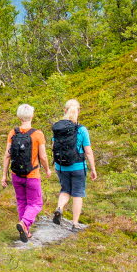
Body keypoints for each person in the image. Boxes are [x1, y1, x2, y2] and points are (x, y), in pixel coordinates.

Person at [1, 103, 51, 242]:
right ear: (32, 115)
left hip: (16, 175)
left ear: (19, 116)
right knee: (36, 204)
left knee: (22, 201)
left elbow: (7, 155)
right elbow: (43, 156)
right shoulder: (37, 134)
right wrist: (47, 169)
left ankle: (25, 231)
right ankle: (24, 224)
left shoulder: (13, 132)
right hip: (32, 175)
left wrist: (4, 176)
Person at [51, 98, 97, 230]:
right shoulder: (81, 130)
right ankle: (75, 223)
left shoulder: (58, 129)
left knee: (65, 190)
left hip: (61, 166)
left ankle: (59, 208)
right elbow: (88, 151)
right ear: (78, 111)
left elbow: (54, 146)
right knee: (77, 194)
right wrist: (93, 169)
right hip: (78, 166)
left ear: (64, 110)